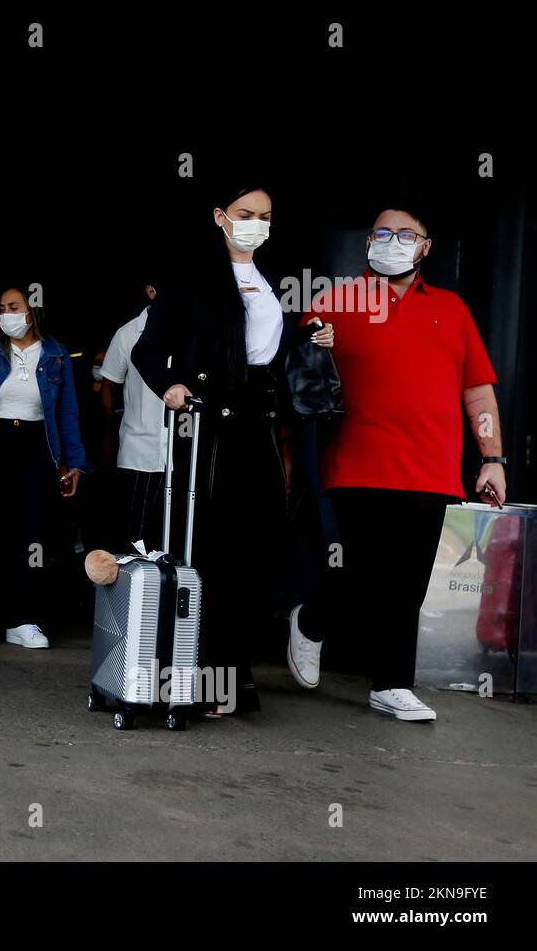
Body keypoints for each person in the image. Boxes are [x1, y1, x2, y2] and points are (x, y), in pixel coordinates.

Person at [286, 207, 505, 722]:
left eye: (406, 235)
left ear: (426, 247)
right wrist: (312, 345)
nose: (393, 241)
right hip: (356, 461)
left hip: (430, 468)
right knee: (358, 571)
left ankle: (391, 684)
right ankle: (312, 622)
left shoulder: (452, 309)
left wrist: (492, 457)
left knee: (407, 582)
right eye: (384, 233)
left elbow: (477, 391)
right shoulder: (334, 301)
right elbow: (297, 377)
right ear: (368, 242)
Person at [130, 185, 334, 715]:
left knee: (256, 548)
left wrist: (309, 337)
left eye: (265, 216)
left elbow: (269, 350)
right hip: (210, 425)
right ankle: (202, 674)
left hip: (259, 425)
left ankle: (233, 672)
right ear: (220, 216)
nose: (256, 224)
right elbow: (148, 350)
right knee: (211, 550)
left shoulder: (269, 281)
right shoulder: (193, 277)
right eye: (245, 214)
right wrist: (171, 386)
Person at [0, 287, 91, 648]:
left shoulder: (57, 354)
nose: (6, 314)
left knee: (34, 533)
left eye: (13, 307)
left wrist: (74, 464)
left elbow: (68, 413)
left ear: (33, 312)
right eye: (2, 308)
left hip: (37, 446)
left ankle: (25, 619)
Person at [98, 280, 167, 553]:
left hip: (180, 454)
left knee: (171, 537)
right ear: (151, 290)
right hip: (138, 453)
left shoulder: (192, 329)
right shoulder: (128, 334)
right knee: (135, 540)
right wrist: (109, 435)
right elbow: (108, 385)